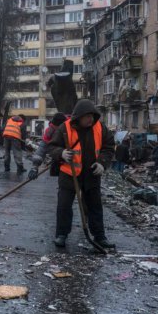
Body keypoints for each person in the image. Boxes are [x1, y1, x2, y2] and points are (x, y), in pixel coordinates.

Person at [48, 99, 115, 249]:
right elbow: (51, 146)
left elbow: (109, 147)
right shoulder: (64, 128)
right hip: (69, 174)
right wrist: (61, 153)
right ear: (79, 116)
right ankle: (61, 235)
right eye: (87, 116)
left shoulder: (100, 128)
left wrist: (102, 163)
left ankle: (99, 236)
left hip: (91, 173)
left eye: (92, 115)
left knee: (95, 206)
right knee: (64, 205)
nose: (91, 119)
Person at [28, 113, 67, 180]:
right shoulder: (50, 131)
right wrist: (35, 167)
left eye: (57, 128)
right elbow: (42, 148)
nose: (56, 130)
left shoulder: (74, 127)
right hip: (62, 160)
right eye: (54, 127)